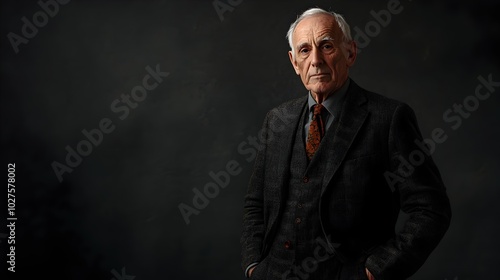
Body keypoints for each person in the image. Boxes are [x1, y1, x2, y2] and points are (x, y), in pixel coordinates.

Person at [240, 7, 451, 280]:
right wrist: (254, 266)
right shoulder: (277, 120)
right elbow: (255, 203)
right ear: (294, 63)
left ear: (350, 52)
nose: (315, 60)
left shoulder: (388, 118)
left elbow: (431, 209)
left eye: (326, 46)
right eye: (304, 50)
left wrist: (375, 271)